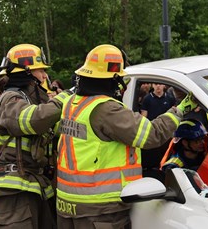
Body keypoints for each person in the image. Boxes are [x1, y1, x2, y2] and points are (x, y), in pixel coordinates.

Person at [56, 44, 183, 228]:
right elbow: (152, 135)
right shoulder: (106, 109)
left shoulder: (71, 103)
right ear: (113, 79)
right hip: (99, 209)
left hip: (68, 204)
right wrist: (179, 111)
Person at [0, 44, 70, 228]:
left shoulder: (25, 100)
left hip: (32, 184)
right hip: (14, 191)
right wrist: (65, 98)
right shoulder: (11, 99)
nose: (45, 76)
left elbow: (51, 129)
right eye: (41, 70)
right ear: (28, 73)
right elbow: (33, 120)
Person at [140, 82, 175, 180]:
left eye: (160, 84)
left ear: (164, 85)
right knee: (153, 156)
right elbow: (144, 117)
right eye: (155, 84)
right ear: (152, 86)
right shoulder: (147, 99)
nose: (158, 86)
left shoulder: (170, 98)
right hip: (153, 133)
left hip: (167, 134)